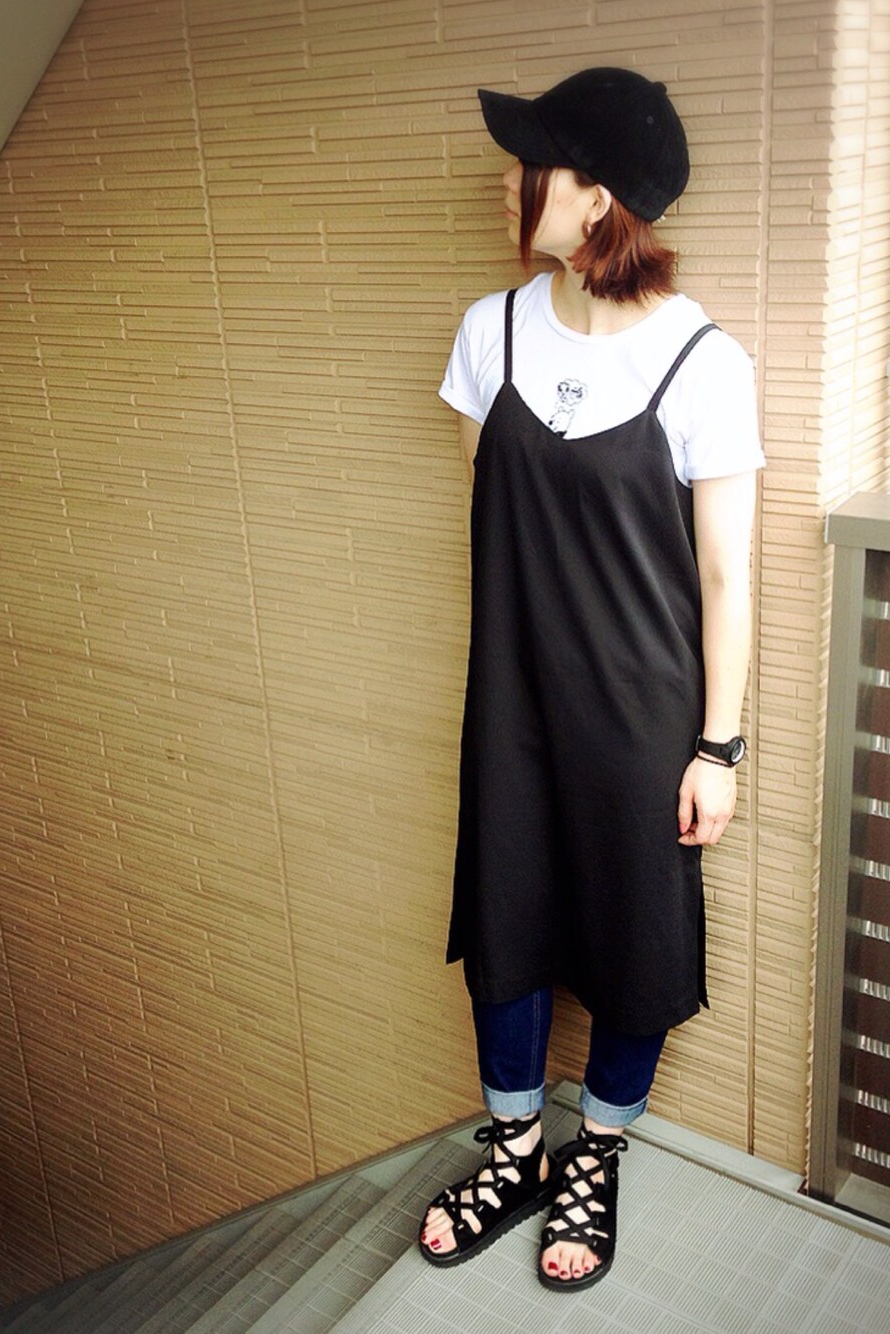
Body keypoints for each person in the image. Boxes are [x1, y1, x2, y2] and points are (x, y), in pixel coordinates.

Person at [418, 67, 764, 1291]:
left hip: (642, 713)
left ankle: (595, 1152)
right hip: (512, 701)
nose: (508, 183)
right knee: (505, 914)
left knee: (636, 928)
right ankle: (515, 1145)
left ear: (596, 197)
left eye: (533, 165)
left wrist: (715, 745)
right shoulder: (491, 330)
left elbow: (723, 574)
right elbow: (496, 509)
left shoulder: (703, 359)